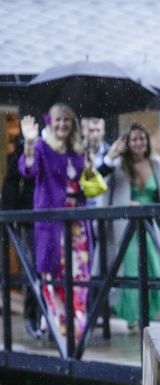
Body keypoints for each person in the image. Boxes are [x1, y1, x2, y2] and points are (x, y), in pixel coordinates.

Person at [18, 104, 93, 342]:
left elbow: (85, 185)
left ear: (73, 125)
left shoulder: (78, 150)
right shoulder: (42, 147)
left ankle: (77, 325)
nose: (62, 125)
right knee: (52, 275)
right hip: (52, 224)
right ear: (51, 123)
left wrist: (90, 169)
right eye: (58, 120)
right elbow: (27, 170)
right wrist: (29, 143)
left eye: (67, 121)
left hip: (78, 224)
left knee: (79, 275)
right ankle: (58, 326)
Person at [103, 123, 160, 329]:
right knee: (133, 268)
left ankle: (149, 313)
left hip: (153, 226)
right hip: (128, 228)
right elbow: (104, 190)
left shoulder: (158, 164)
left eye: (142, 138)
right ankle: (132, 316)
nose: (138, 143)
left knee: (153, 267)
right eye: (134, 139)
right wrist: (127, 205)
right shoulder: (119, 166)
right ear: (128, 142)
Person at [2, 116, 40, 339]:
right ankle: (32, 317)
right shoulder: (21, 149)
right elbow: (11, 181)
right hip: (30, 216)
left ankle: (53, 319)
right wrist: (11, 215)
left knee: (51, 270)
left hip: (54, 216)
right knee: (34, 267)